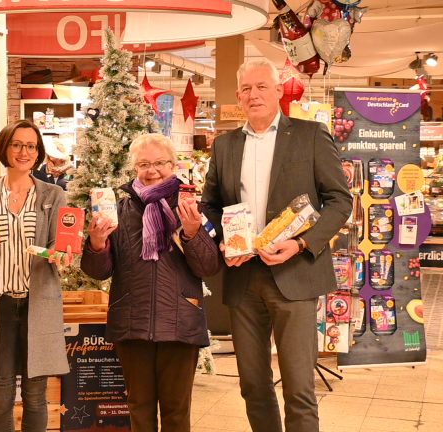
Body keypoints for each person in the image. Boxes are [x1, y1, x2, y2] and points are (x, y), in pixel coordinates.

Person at [201, 58, 351, 432]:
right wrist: (223, 240)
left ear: (279, 90)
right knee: (252, 385)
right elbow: (210, 204)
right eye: (247, 89)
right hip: (243, 278)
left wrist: (300, 244)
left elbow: (339, 200)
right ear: (238, 96)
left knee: (299, 387)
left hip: (295, 275)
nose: (254, 95)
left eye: (261, 86)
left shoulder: (310, 135)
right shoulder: (225, 146)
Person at [80, 133, 221, 432]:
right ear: (135, 168)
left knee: (176, 412)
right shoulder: (118, 212)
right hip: (133, 324)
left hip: (180, 323)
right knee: (139, 410)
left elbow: (208, 266)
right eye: (144, 164)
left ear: (173, 165)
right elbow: (99, 272)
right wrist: (96, 243)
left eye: (160, 163)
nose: (152, 170)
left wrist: (193, 232)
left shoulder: (192, 209)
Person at [0, 119, 71, 432]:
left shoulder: (53, 196)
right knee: (1, 394)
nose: (25, 151)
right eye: (18, 144)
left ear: (38, 152)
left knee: (36, 396)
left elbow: (59, 249)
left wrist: (61, 256)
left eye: (31, 146)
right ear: (5, 148)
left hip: (39, 305)